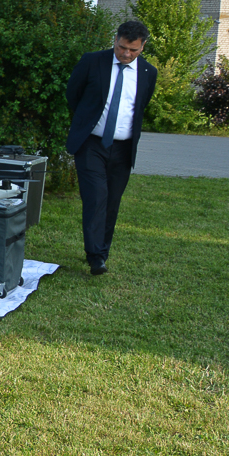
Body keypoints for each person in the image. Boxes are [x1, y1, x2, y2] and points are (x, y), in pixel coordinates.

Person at [65, 19, 158, 275]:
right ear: (115, 40)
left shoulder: (148, 73)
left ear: (143, 46)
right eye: (122, 47)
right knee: (96, 197)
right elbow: (73, 94)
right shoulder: (92, 61)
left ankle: (102, 252)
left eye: (133, 50)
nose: (126, 54)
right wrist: (87, 120)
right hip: (91, 143)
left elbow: (141, 106)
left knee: (112, 201)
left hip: (123, 149)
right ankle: (95, 256)